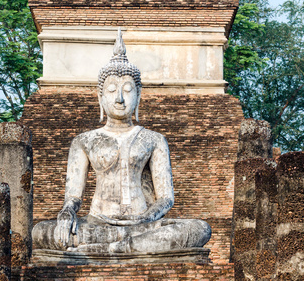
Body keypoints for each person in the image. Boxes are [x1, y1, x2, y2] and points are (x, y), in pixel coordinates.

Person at [32, 29, 211, 254]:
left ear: (138, 95)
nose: (119, 98)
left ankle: (108, 249)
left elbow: (165, 198)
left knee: (199, 229)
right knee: (40, 231)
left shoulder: (154, 139)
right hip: (97, 224)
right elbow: (73, 197)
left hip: (143, 225)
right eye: (111, 90)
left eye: (127, 90)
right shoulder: (84, 141)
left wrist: (144, 219)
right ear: (100, 97)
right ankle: (120, 247)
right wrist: (66, 214)